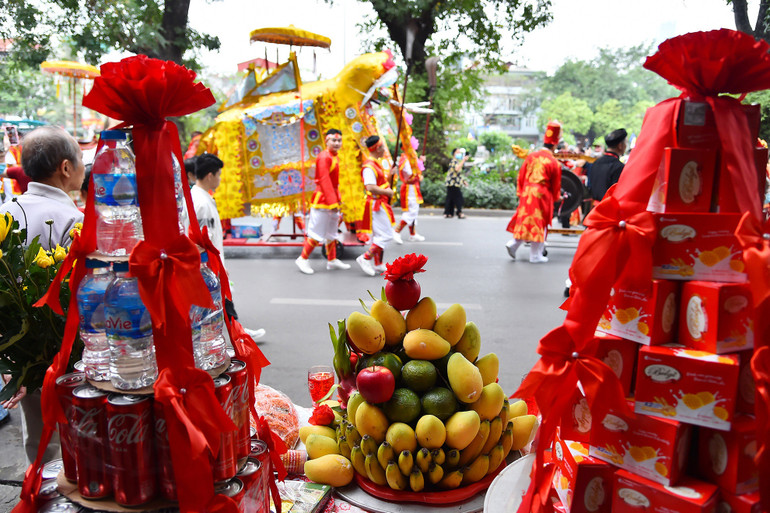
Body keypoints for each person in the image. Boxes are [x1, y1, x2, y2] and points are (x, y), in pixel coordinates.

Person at [0, 125, 86, 465]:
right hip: (65, 358)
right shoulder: (72, 220)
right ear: (66, 168)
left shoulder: (6, 212)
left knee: (39, 442)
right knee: (72, 446)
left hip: (21, 356)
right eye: (79, 160)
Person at [190, 154, 266, 340]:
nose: (220, 179)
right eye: (219, 174)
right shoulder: (201, 203)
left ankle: (236, 332)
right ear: (210, 176)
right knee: (217, 301)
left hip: (211, 262)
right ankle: (236, 334)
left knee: (222, 301)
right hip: (207, 263)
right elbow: (200, 239)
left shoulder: (200, 197)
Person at [505, 120, 563, 263]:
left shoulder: (531, 156)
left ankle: (513, 244)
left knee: (526, 219)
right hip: (542, 193)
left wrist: (521, 191)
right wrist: (557, 197)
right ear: (555, 144)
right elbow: (556, 184)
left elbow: (521, 174)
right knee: (539, 222)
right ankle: (535, 255)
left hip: (527, 191)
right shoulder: (553, 162)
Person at [295, 129, 351, 274]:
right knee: (316, 233)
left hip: (332, 199)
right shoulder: (324, 157)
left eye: (339, 140)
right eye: (334, 140)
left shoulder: (334, 157)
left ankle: (331, 260)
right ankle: (303, 258)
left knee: (331, 232)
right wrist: (333, 202)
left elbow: (334, 184)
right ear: (327, 141)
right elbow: (325, 181)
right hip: (323, 201)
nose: (337, 143)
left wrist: (337, 201)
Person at [356, 135, 396, 276]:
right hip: (376, 205)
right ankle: (365, 258)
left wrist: (390, 176)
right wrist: (387, 192)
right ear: (377, 148)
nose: (384, 149)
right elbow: (370, 187)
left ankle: (378, 264)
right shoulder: (369, 166)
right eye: (382, 147)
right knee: (386, 234)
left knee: (380, 234)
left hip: (380, 204)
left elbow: (379, 183)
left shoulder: (375, 163)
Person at [588, 128, 627, 201]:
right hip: (607, 208)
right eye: (626, 143)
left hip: (594, 208)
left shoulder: (596, 162)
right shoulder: (619, 166)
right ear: (620, 145)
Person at [393, 153, 425, 243]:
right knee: (411, 212)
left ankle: (412, 234)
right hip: (409, 189)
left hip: (413, 188)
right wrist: (418, 174)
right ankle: (397, 231)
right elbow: (411, 174)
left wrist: (420, 162)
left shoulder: (409, 158)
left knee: (414, 212)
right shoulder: (405, 159)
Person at [444, 148, 468, 218]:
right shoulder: (453, 161)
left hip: (454, 183)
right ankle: (459, 212)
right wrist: (463, 160)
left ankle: (448, 213)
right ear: (454, 153)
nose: (459, 154)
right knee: (459, 198)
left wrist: (463, 181)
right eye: (458, 152)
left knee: (450, 198)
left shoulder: (457, 162)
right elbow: (457, 169)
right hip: (452, 183)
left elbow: (457, 174)